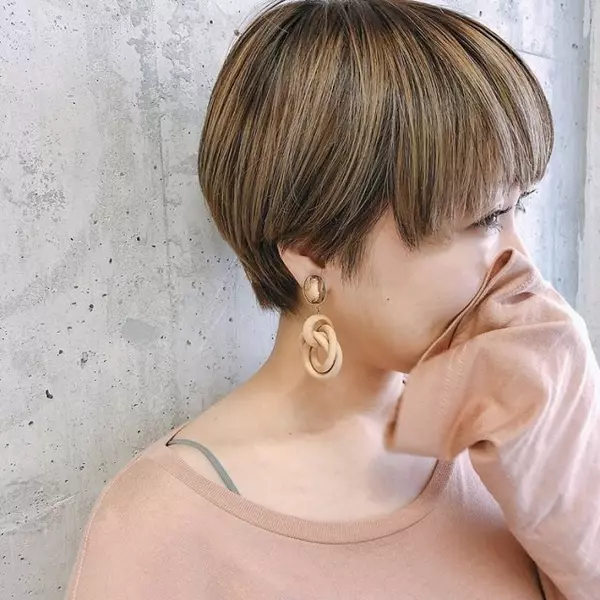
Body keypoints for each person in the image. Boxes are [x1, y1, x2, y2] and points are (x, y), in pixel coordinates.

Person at [65, 1, 600, 599]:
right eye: (485, 218)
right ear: (313, 248)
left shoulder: (511, 436)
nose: (521, 261)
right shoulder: (162, 530)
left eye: (518, 206)